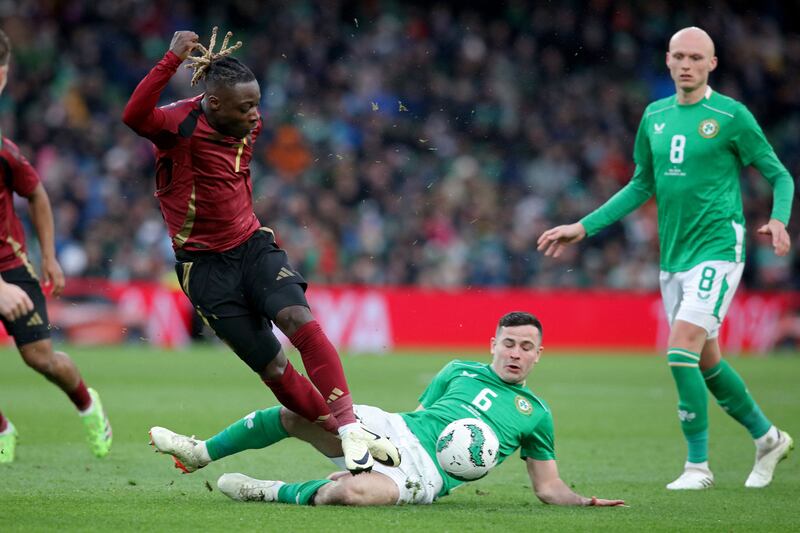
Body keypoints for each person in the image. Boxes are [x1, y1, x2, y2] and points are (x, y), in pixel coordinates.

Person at [122, 28, 398, 474]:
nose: (256, 116)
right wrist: (170, 60)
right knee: (273, 367)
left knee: (298, 320)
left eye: (257, 103)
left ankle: (349, 428)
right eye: (246, 106)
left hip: (252, 246)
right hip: (204, 268)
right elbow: (134, 115)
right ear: (214, 104)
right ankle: (342, 432)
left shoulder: (249, 122)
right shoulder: (180, 125)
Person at [537, 27, 794, 490]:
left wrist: (778, 220)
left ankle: (698, 467)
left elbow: (780, 175)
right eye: (679, 56)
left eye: (696, 57)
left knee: (679, 351)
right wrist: (584, 226)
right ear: (668, 60)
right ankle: (768, 437)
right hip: (673, 256)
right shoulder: (654, 115)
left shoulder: (730, 115)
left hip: (719, 248)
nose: (686, 65)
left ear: (712, 64)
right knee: (705, 360)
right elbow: (641, 184)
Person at [149, 311, 624, 508]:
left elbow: (548, 486)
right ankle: (201, 452)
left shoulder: (535, 413)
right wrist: (374, 446)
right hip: (395, 429)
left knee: (355, 496)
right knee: (299, 412)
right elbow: (422, 414)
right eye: (510, 343)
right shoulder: (458, 369)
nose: (517, 353)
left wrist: (582, 502)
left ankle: (271, 490)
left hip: (428, 476)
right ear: (493, 344)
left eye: (527, 347)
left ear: (539, 355)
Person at [0, 29, 112, 463]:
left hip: (12, 267)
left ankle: (88, 403)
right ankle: (4, 429)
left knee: (40, 358)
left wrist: (48, 256)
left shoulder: (6, 152)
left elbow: (38, 195)